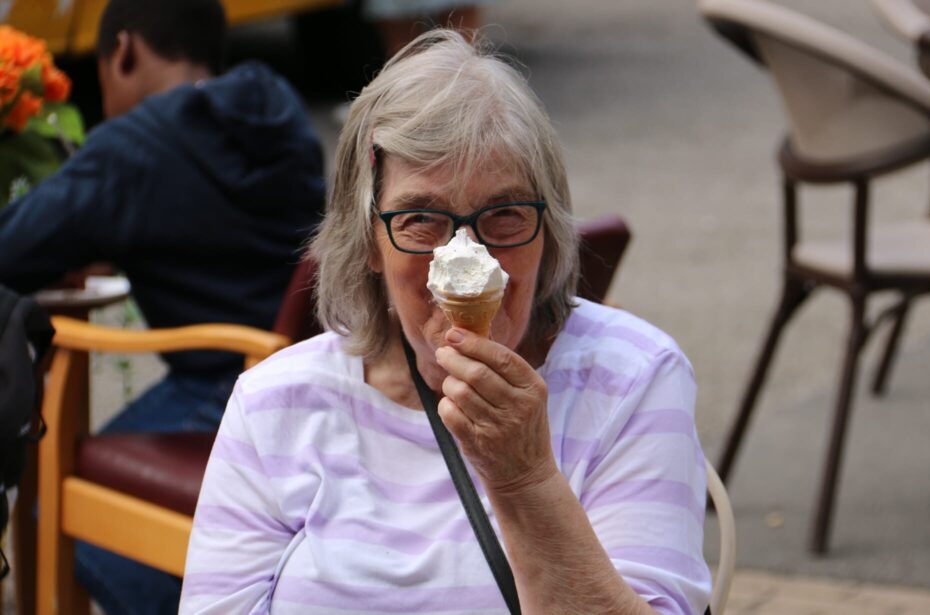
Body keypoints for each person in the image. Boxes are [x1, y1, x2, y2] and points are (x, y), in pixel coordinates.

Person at [181, 30, 711, 614]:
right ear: (368, 243)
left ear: (550, 230)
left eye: (504, 215)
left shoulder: (633, 380)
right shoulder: (273, 405)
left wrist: (526, 480)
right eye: (420, 219)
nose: (467, 256)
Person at [0, 0, 325, 611]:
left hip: (218, 389)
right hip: (313, 371)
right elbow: (208, 225)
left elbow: (11, 248)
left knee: (51, 496)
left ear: (122, 51)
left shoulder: (132, 149)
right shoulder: (277, 106)